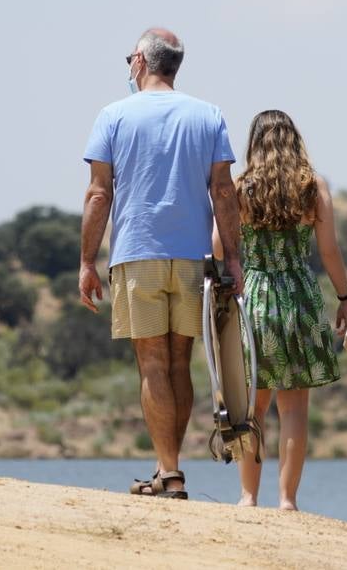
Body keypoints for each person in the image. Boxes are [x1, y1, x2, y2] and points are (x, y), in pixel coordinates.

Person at [78, 28, 244, 500]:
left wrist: (87, 260)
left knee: (152, 363)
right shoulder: (208, 114)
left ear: (142, 63)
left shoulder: (113, 115)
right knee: (180, 362)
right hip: (193, 257)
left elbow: (98, 193)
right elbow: (224, 191)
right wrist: (232, 256)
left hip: (137, 252)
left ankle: (169, 471)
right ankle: (165, 467)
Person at [211, 110, 347, 512]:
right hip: (299, 297)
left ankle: (248, 496)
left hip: (253, 295)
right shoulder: (313, 186)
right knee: (294, 407)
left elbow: (218, 247)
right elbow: (329, 251)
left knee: (250, 404)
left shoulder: (242, 187)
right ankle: (287, 500)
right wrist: (344, 297)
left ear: (254, 143)